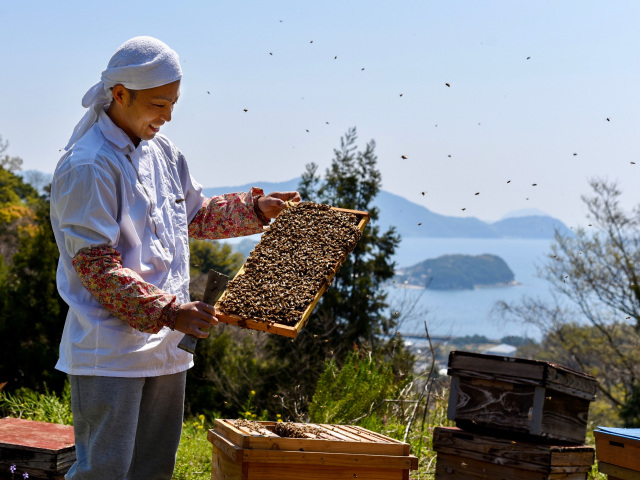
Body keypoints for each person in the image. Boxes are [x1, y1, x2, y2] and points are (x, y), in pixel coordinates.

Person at [50, 36, 300, 480]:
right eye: (159, 104)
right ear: (121, 95)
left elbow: (195, 216)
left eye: (173, 104)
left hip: (167, 346)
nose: (167, 116)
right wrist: (170, 310)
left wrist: (254, 210)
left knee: (152, 471)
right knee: (103, 473)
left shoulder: (164, 153)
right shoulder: (88, 165)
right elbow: (97, 269)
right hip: (110, 349)